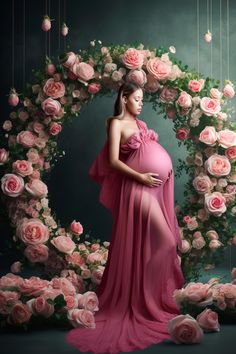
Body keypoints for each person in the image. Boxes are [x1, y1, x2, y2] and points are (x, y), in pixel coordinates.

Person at [66, 81, 185, 354]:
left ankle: (148, 295)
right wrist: (141, 175)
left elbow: (148, 153)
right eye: (137, 98)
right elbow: (114, 162)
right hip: (137, 189)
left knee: (162, 244)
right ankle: (145, 301)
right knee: (166, 241)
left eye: (143, 98)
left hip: (153, 190)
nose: (141, 102)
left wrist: (162, 172)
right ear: (124, 97)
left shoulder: (142, 125)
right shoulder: (116, 123)